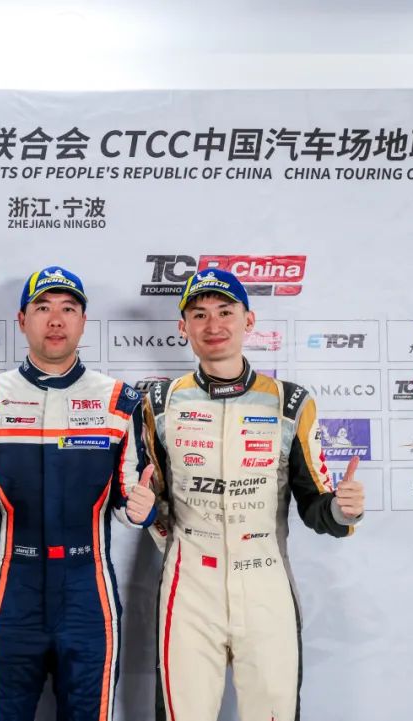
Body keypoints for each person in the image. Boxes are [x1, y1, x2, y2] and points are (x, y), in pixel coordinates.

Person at [144, 268, 366, 721]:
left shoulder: (290, 402)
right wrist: (151, 519)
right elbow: (151, 499)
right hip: (189, 587)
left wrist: (341, 511)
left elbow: (315, 504)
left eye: (225, 312)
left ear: (249, 321)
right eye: (199, 314)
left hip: (265, 583)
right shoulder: (160, 403)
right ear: (183, 327)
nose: (213, 324)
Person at [0, 266, 157, 721]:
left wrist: (141, 509)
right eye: (43, 308)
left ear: (83, 322)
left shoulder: (119, 401)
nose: (55, 320)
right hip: (13, 586)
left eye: (68, 309)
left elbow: (130, 500)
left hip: (88, 587)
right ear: (21, 319)